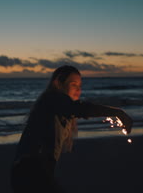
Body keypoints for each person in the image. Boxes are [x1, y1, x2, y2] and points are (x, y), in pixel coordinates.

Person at [11, 65, 133, 193]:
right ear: (58, 83)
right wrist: (118, 113)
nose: (78, 90)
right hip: (31, 170)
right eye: (74, 85)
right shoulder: (53, 99)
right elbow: (82, 108)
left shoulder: (58, 108)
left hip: (31, 171)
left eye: (80, 86)